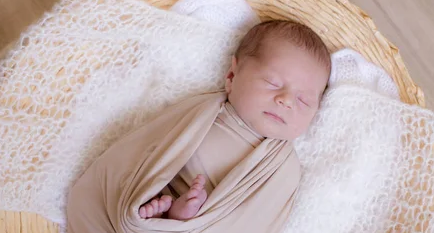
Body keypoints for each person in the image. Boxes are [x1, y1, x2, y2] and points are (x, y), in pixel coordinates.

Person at [138, 19, 331, 220]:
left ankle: (181, 217)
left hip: (211, 232)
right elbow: (152, 148)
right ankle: (162, 213)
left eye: (303, 100)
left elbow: (256, 224)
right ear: (231, 76)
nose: (286, 100)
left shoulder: (284, 171)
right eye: (272, 83)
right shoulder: (204, 113)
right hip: (161, 191)